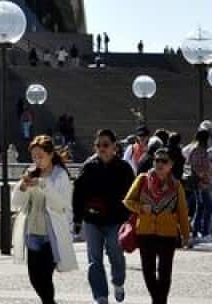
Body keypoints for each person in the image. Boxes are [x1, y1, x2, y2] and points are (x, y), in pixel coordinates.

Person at [12, 135, 77, 303]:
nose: (37, 160)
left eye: (40, 156)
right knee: (35, 279)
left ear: (50, 155)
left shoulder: (60, 175)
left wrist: (43, 185)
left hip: (51, 234)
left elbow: (61, 205)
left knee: (45, 278)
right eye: (34, 157)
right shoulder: (31, 172)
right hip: (32, 232)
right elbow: (16, 202)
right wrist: (23, 187)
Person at [73, 129, 133, 304]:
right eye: (98, 145)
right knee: (94, 259)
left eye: (105, 145)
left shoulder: (124, 168)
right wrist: (77, 218)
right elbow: (78, 194)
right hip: (93, 219)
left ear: (114, 146)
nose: (101, 149)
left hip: (116, 220)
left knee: (115, 252)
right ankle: (100, 297)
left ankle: (118, 282)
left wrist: (131, 218)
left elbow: (133, 195)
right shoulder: (89, 166)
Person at [123, 147, 191, 304]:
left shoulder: (176, 185)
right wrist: (141, 208)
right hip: (145, 232)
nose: (159, 164)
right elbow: (128, 201)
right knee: (148, 271)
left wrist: (186, 236)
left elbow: (182, 211)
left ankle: (160, 301)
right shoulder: (142, 179)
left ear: (171, 165)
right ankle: (157, 299)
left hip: (168, 234)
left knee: (165, 272)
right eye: (156, 160)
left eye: (164, 161)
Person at [185, 128, 212, 241]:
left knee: (201, 207)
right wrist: (204, 175)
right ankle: (203, 232)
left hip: (204, 182)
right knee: (207, 207)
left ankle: (197, 232)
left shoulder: (201, 149)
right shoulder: (198, 150)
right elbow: (196, 167)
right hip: (200, 184)